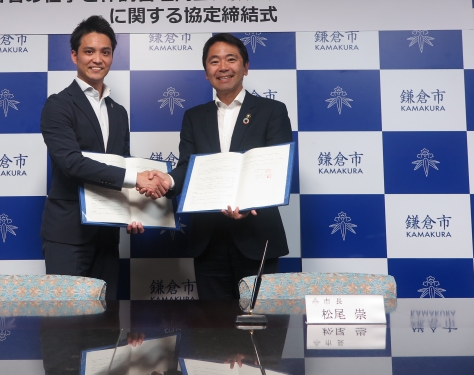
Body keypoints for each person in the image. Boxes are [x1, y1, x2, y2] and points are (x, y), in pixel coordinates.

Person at [144, 33, 293, 300]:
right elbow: (187, 166)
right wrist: (168, 180)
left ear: (245, 67)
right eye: (214, 61)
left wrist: (247, 205)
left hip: (256, 235)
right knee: (212, 322)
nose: (223, 67)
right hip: (208, 239)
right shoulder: (194, 117)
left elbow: (276, 170)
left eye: (231, 59)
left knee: (260, 319)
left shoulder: (272, 111)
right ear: (206, 72)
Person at [40, 15, 169, 300]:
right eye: (89, 51)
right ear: (74, 55)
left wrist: (133, 211)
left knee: (105, 320)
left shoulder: (118, 112)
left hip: (108, 232)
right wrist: (136, 179)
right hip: (68, 235)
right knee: (66, 319)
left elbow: (122, 163)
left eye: (105, 52)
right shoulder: (57, 105)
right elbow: (72, 163)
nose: (97, 59)